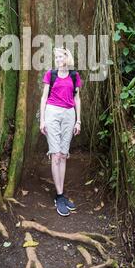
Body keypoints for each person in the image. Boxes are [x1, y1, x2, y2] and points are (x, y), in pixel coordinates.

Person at [40, 47, 82, 216]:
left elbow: (77, 98)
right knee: (56, 154)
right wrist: (42, 119)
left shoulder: (74, 76)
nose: (57, 60)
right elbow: (44, 98)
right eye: (55, 57)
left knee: (63, 155)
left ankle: (62, 194)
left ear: (67, 58)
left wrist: (78, 120)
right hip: (52, 112)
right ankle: (59, 196)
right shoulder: (51, 74)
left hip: (69, 114)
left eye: (60, 57)